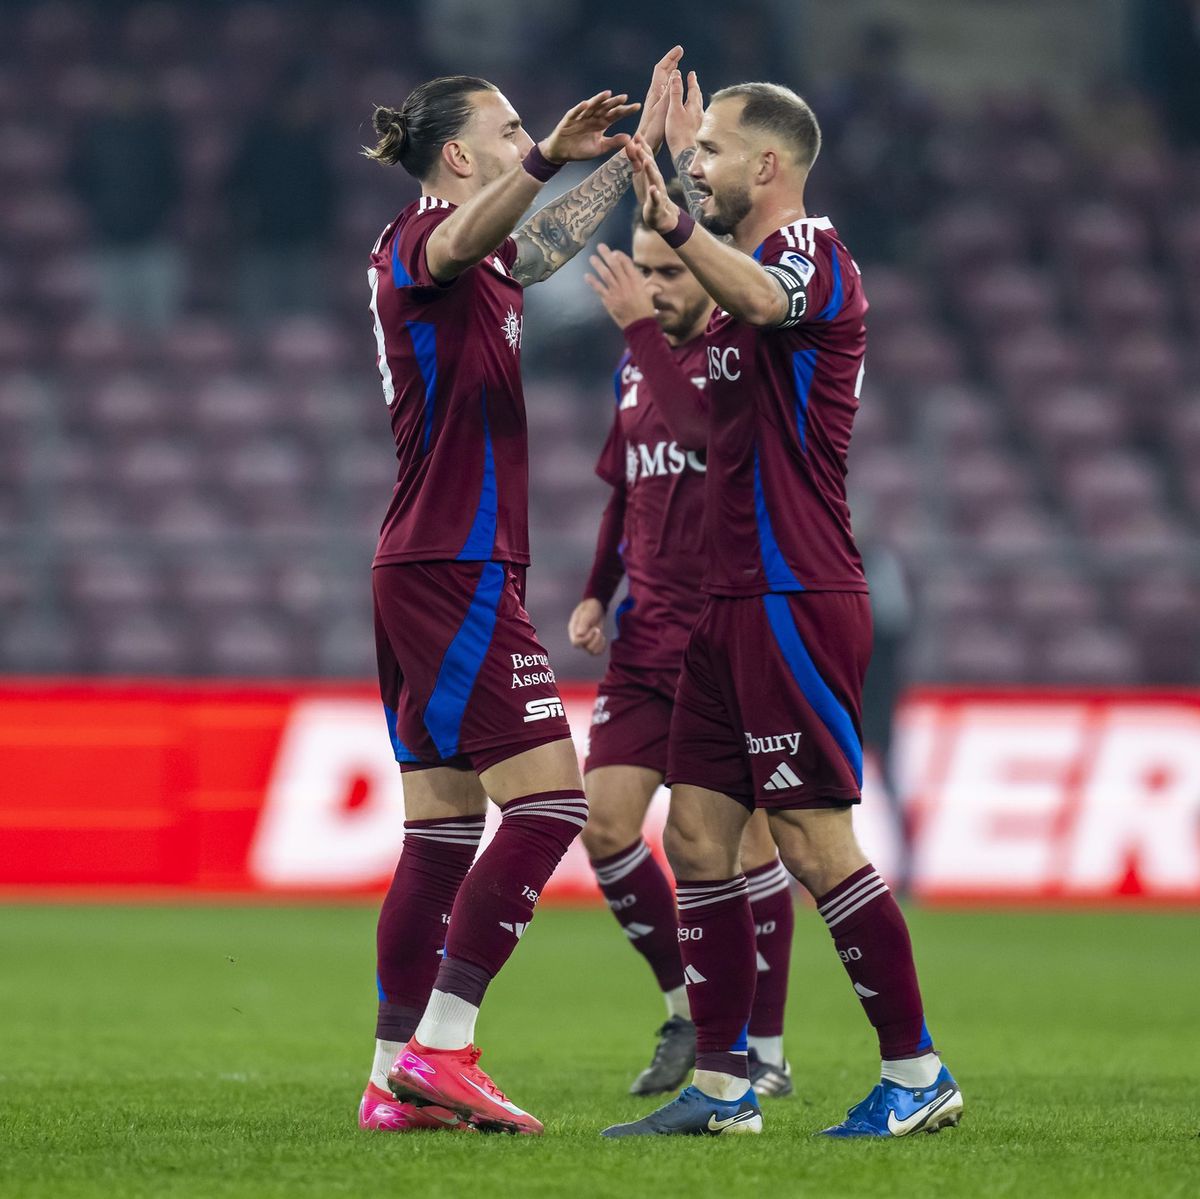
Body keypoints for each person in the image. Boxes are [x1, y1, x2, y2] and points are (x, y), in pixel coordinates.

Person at [602, 73, 962, 1138]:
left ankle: (917, 1071)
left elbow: (761, 299)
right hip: (726, 601)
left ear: (768, 165)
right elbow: (709, 313)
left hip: (795, 590)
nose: (698, 164)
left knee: (811, 841)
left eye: (713, 149)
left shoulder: (813, 256)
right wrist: (673, 183)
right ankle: (724, 1090)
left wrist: (676, 209)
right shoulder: (733, 269)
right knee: (699, 837)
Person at [355, 50, 683, 1138]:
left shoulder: (480, 255)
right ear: (458, 156)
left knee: (441, 834)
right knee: (551, 803)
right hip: (453, 564)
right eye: (504, 131)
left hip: (428, 560)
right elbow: (467, 239)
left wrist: (628, 163)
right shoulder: (421, 240)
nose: (522, 141)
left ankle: (390, 1079)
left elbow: (533, 248)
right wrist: (546, 158)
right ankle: (445, 1046)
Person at [569, 189, 795, 1100]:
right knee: (604, 826)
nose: (654, 286)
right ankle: (685, 1010)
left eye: (669, 270)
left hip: (728, 635)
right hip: (644, 640)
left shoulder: (736, 351)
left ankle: (766, 1052)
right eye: (645, 271)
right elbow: (628, 483)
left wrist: (636, 328)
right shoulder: (635, 366)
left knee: (747, 848)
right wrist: (598, 590)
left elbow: (703, 436)